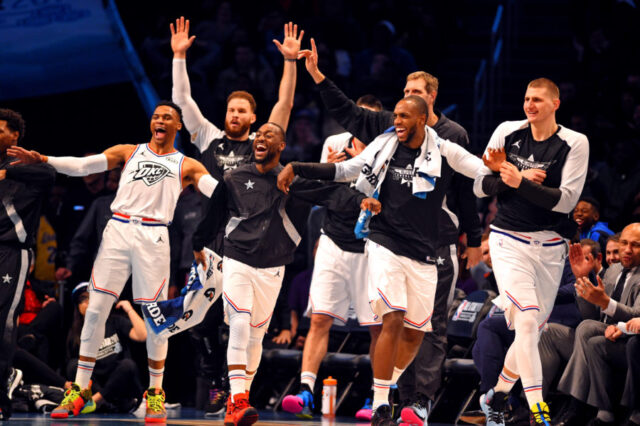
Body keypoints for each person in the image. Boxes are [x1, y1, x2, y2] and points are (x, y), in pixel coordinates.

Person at [297, 38, 483, 425]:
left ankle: (417, 401)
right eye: (402, 95)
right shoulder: (388, 129)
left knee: (425, 329)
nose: (401, 108)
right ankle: (385, 399)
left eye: (414, 95)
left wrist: (474, 239)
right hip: (386, 238)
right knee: (391, 319)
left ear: (430, 99)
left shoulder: (452, 138)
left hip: (438, 241)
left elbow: (471, 189)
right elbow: (348, 117)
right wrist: (316, 75)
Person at [8, 100, 217, 423]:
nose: (159, 120)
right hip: (118, 231)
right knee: (95, 310)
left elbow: (217, 195)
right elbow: (84, 165)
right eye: (156, 116)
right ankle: (79, 390)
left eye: (167, 118)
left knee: (155, 316)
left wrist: (249, 196)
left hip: (155, 236)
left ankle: (156, 394)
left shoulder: (187, 164)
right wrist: (45, 159)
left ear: (177, 127)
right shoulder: (128, 151)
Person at [198, 121, 380, 426]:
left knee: (256, 335)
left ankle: (240, 399)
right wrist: (197, 244)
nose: (262, 138)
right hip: (237, 259)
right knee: (240, 323)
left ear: (281, 147)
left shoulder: (294, 180)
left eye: (271, 135)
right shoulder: (234, 177)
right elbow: (213, 215)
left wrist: (360, 200)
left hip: (273, 267)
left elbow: (332, 195)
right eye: (260, 134)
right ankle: (237, 400)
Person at [171, 18, 302, 415]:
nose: (234, 114)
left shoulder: (263, 144)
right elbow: (184, 102)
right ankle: (219, 384)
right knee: (201, 321)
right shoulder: (209, 138)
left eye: (242, 110)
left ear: (253, 117)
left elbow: (285, 105)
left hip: (253, 247)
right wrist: (179, 57)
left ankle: (236, 389)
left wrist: (290, 63)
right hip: (213, 244)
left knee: (247, 327)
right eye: (230, 109)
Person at [473, 78, 589, 425]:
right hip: (508, 239)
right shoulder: (507, 132)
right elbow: (481, 185)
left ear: (556, 103)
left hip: (551, 246)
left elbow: (565, 201)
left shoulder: (574, 142)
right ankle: (540, 412)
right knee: (524, 320)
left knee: (531, 331)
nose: (530, 105)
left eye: (537, 99)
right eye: (526, 98)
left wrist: (514, 179)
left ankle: (496, 396)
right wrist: (522, 177)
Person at [281, 95, 384, 421]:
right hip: (333, 242)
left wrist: (364, 166)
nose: (362, 123)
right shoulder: (333, 142)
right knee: (320, 319)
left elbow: (379, 200)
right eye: (358, 116)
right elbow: (326, 190)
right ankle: (306, 391)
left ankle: (376, 398)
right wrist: (335, 168)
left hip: (371, 248)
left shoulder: (389, 150)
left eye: (370, 118)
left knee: (377, 328)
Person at [0, 108, 56, 420]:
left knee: (4, 323)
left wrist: (11, 172)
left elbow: (50, 174)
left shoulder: (23, 162)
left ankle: (1, 395)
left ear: (14, 136)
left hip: (13, 251)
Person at [554, 223, 640, 426]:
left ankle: (577, 406)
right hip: (609, 332)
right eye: (624, 243)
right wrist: (582, 278)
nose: (627, 249)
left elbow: (637, 316)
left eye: (636, 245)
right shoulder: (613, 271)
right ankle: (602, 413)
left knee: (589, 332)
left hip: (630, 335)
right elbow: (590, 315)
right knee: (587, 330)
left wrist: (607, 306)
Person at [66, 282, 146, 413]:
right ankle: (100, 401)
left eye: (92, 297)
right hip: (96, 384)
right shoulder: (75, 333)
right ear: (78, 307)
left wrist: (129, 309)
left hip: (120, 390)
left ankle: (96, 401)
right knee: (73, 365)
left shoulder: (115, 321)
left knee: (127, 365)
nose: (88, 302)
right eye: (83, 299)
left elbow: (142, 336)